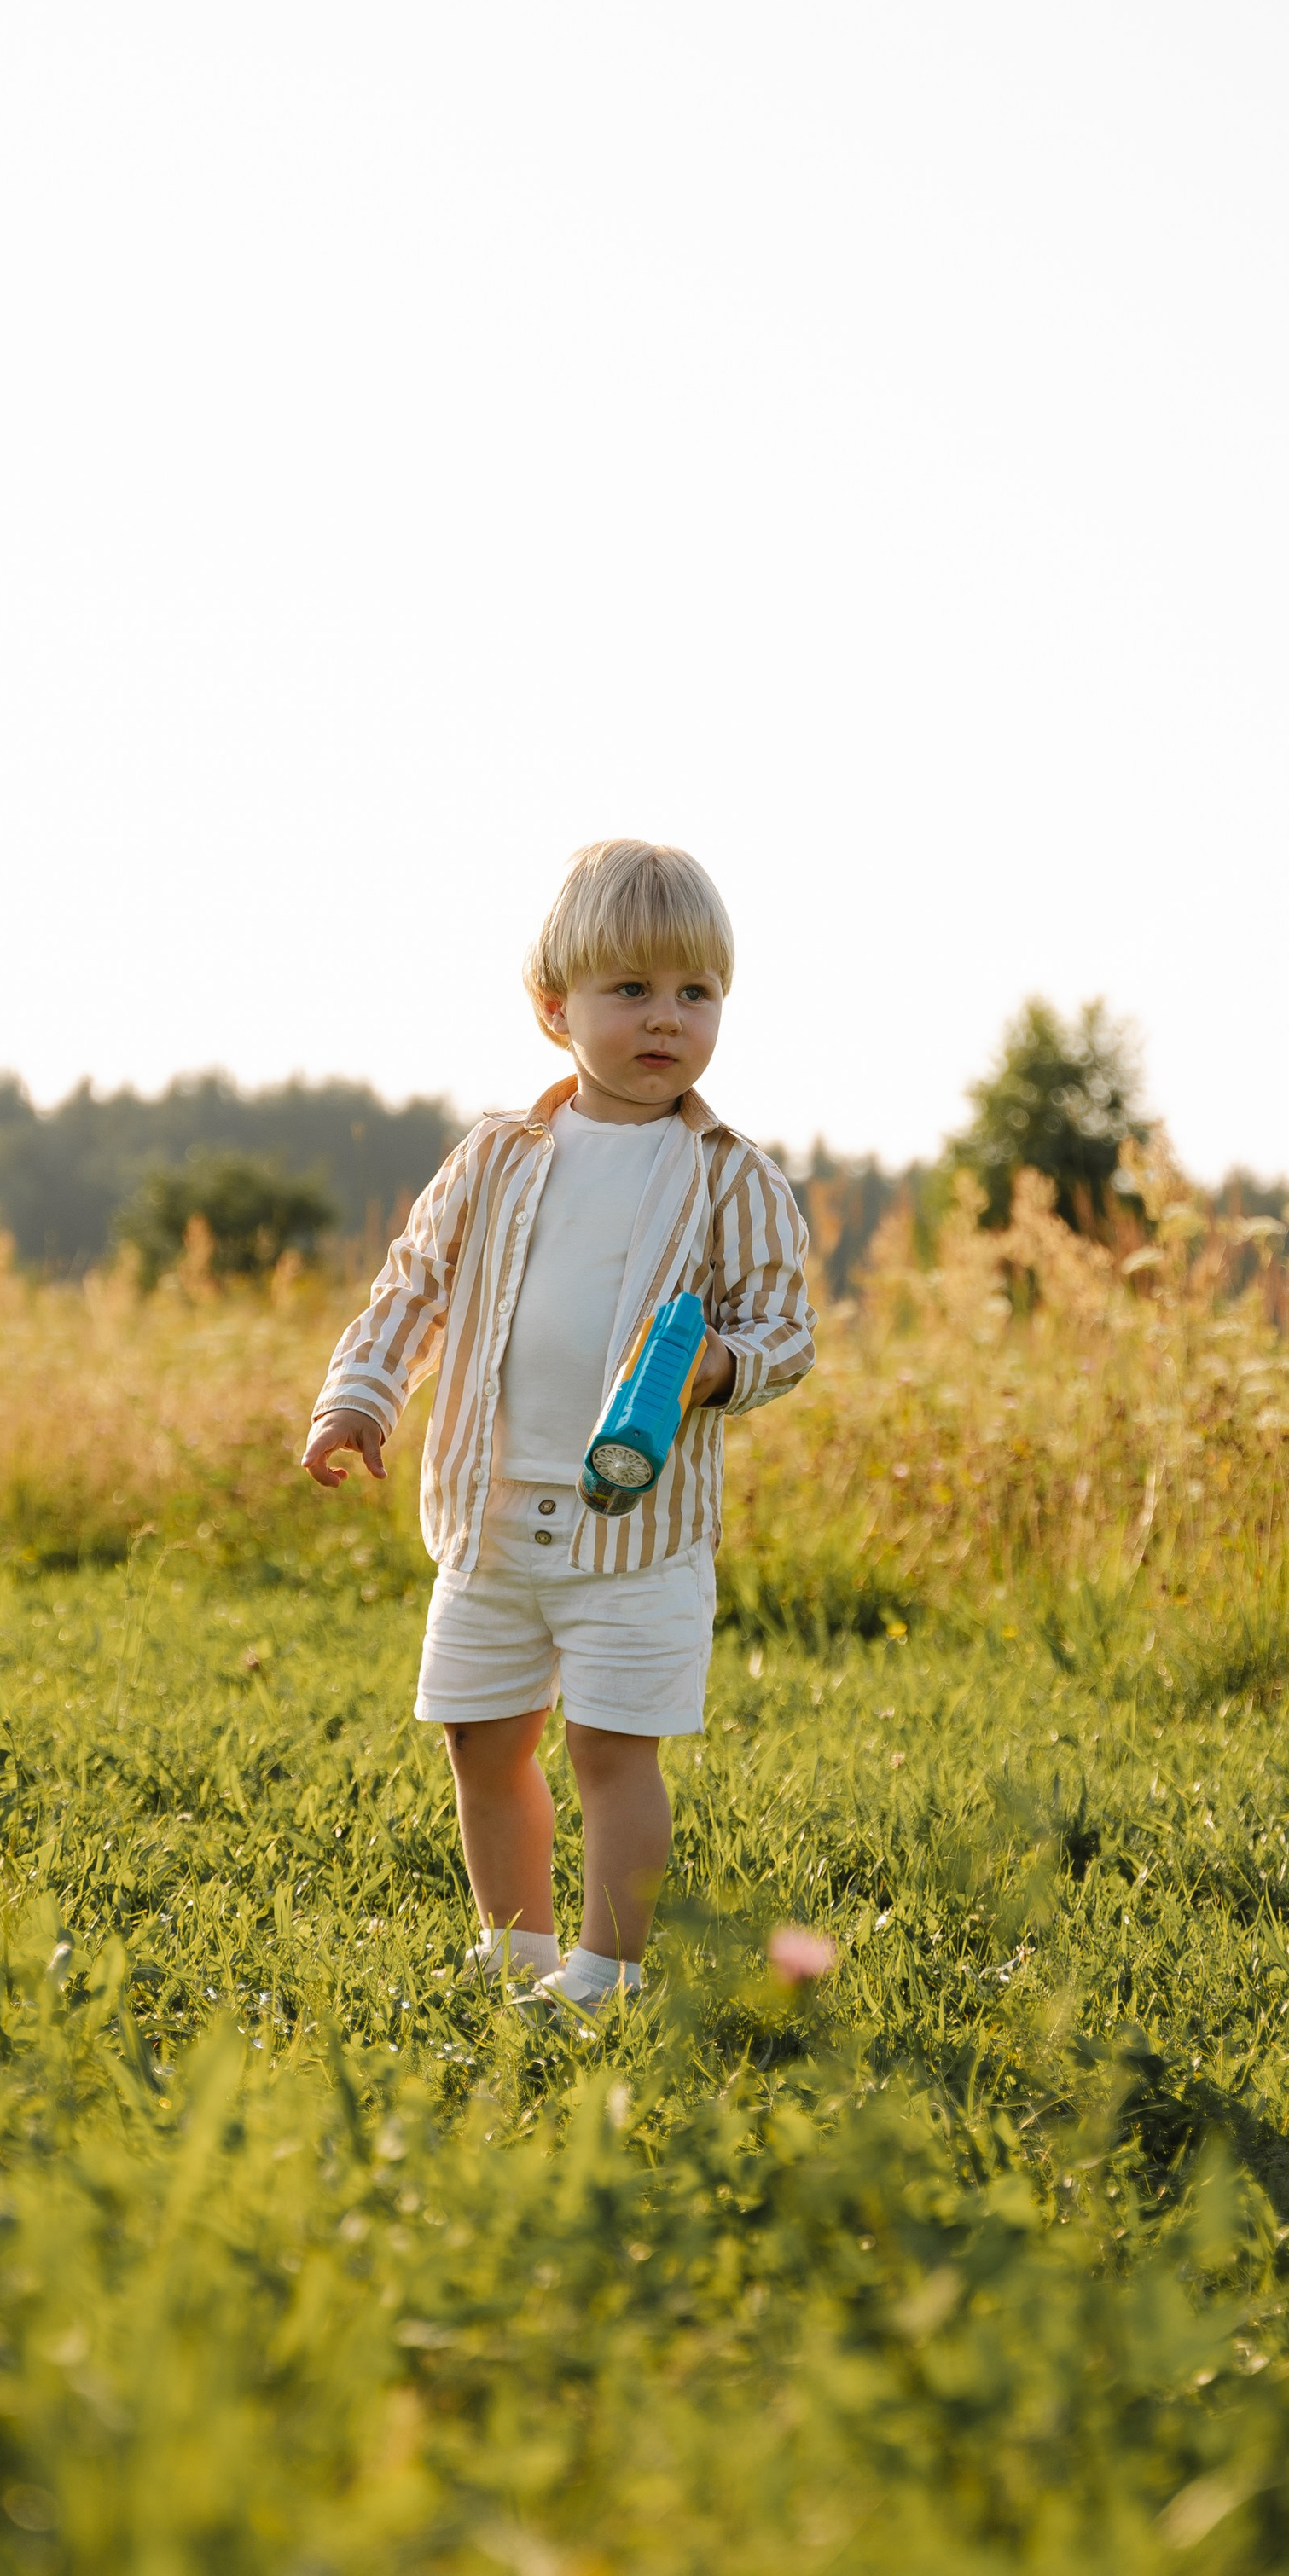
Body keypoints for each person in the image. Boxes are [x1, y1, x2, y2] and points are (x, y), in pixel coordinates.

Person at [302, 838, 816, 2021]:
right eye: (631, 990)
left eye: (696, 994)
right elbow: (414, 1287)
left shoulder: (732, 1180)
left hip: (637, 1535)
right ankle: (517, 1950)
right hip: (490, 1516)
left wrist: (728, 1364)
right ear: (554, 1008)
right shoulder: (496, 1157)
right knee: (481, 1738)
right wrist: (359, 1396)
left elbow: (786, 1329)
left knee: (608, 1752)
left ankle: (608, 1972)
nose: (666, 1020)